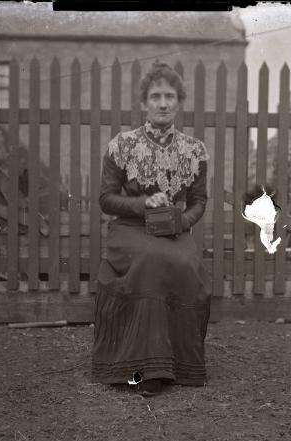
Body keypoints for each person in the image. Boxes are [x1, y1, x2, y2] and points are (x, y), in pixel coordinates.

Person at [92, 62, 212, 396]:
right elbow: (106, 199)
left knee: (187, 264)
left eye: (169, 96)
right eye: (155, 96)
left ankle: (181, 364)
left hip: (173, 230)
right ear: (145, 102)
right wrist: (142, 204)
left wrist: (181, 222)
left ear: (179, 102)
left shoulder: (195, 150)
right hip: (129, 231)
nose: (162, 103)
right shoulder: (123, 146)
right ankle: (146, 369)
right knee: (151, 260)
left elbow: (200, 200)